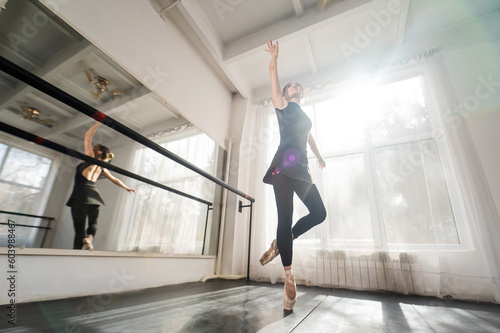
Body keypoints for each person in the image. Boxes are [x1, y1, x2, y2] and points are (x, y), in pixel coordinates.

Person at [260, 40, 327, 310]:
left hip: (301, 167)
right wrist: (274, 59)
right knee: (284, 218)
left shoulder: (304, 116)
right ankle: (289, 278)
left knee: (319, 213)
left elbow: (308, 138)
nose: (294, 86)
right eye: (290, 86)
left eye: (297, 86)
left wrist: (319, 156)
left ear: (302, 93)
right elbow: (273, 76)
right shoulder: (282, 107)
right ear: (286, 94)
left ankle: (282, 241)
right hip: (282, 168)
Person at [66, 121, 135, 250]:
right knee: (93, 223)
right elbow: (115, 180)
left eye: (95, 148)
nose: (92, 149)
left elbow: (88, 136)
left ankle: (76, 251)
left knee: (79, 227)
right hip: (94, 196)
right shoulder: (102, 167)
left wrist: (98, 122)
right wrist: (127, 188)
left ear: (98, 153)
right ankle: (90, 239)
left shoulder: (89, 158)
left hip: (80, 194)